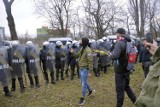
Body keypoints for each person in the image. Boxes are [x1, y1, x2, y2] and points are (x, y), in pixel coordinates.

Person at [109, 28, 136, 107]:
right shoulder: (129, 41)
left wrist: (110, 55)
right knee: (127, 87)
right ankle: (136, 101)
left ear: (119, 33)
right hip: (127, 68)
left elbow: (115, 56)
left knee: (120, 91)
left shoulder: (120, 42)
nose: (116, 35)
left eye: (116, 33)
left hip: (120, 70)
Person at [134, 33, 160, 107]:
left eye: (144, 40)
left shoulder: (143, 47)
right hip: (147, 61)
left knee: (146, 73)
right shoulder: (143, 47)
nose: (143, 42)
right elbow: (141, 53)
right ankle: (145, 83)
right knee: (146, 73)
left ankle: (145, 83)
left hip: (148, 62)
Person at [70, 37, 93, 106]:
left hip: (85, 69)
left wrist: (90, 72)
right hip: (81, 68)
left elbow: (90, 62)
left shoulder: (88, 51)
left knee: (83, 84)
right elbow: (77, 56)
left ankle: (82, 98)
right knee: (83, 82)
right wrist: (73, 52)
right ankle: (90, 90)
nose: (79, 42)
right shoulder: (82, 49)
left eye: (81, 41)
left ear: (84, 42)